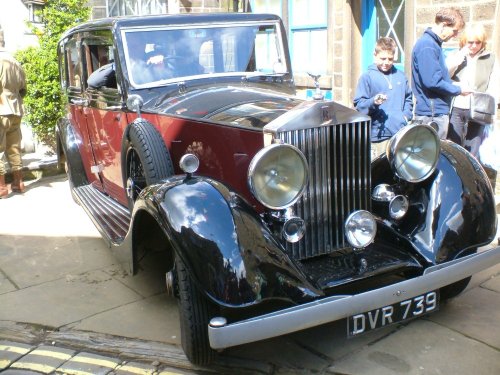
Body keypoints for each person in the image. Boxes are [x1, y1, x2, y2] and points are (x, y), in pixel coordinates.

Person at [411, 7, 472, 139]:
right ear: (444, 25)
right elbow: (432, 82)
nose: (455, 35)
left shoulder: (433, 44)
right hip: (431, 114)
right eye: (454, 31)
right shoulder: (427, 45)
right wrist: (458, 89)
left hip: (435, 112)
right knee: (430, 157)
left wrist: (453, 84)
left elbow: (435, 78)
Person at [353, 37, 413, 157]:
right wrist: (373, 102)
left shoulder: (401, 76)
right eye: (382, 58)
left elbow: (408, 98)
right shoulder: (367, 77)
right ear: (375, 55)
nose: (386, 62)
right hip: (377, 134)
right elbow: (359, 105)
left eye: (390, 59)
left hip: (399, 133)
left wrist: (405, 116)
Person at [446, 24, 499, 158]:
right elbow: (444, 76)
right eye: (470, 42)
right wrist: (459, 58)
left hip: (479, 108)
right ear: (464, 41)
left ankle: (470, 177)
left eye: (478, 42)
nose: (474, 46)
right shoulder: (455, 55)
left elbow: (495, 84)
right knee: (454, 146)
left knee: (473, 149)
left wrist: (491, 110)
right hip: (457, 106)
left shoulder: (490, 58)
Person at [0, 32, 27, 198]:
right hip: (16, 109)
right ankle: (19, 183)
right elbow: (24, 89)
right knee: (14, 148)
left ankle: (2, 188)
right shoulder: (14, 60)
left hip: (1, 108)